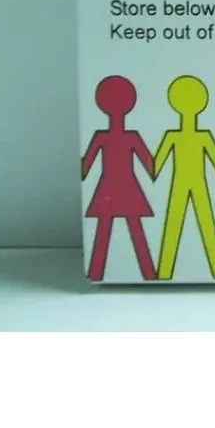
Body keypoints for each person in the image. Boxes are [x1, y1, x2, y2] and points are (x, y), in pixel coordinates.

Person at [81, 75, 156, 281]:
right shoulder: (130, 137)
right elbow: (151, 166)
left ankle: (98, 272)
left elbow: (86, 166)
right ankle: (148, 273)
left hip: (108, 188)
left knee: (105, 229)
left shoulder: (102, 137)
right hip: (127, 188)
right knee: (134, 228)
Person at [153, 75, 215, 280]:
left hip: (181, 184)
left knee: (174, 224)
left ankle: (165, 271)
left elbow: (154, 167)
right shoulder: (202, 136)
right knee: (205, 223)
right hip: (196, 183)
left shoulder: (173, 136)